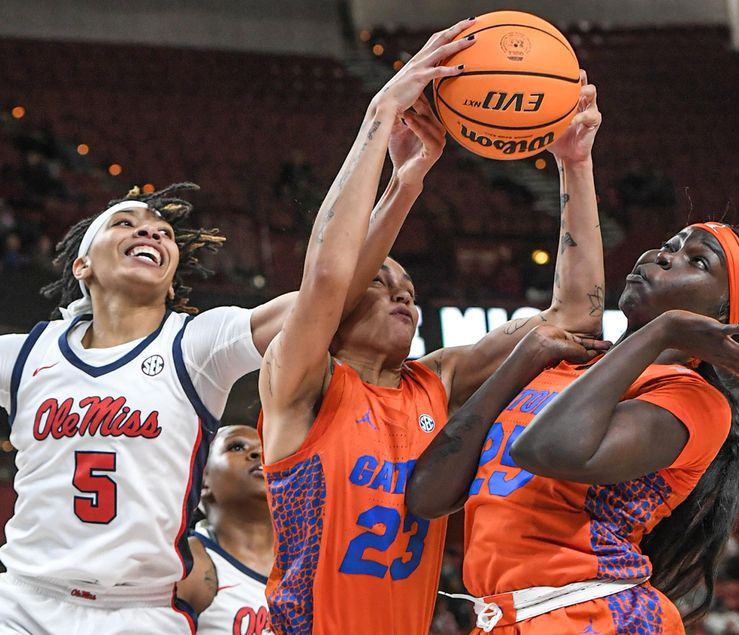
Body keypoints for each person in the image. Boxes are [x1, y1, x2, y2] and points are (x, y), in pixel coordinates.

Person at [0, 76, 455, 633]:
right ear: (82, 266)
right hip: (21, 600)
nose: (151, 231)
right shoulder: (22, 356)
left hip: (139, 610)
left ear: (171, 283)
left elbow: (327, 292)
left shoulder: (197, 343)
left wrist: (403, 184)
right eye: (125, 223)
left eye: (163, 232)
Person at [259, 17, 608, 635]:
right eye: (382, 283)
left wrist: (574, 164)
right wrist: (387, 135)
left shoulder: (435, 381)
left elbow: (574, 320)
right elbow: (327, 279)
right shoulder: (300, 381)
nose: (403, 297)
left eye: (411, 292)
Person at [407, 218, 739, 633]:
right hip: (506, 617)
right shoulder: (561, 366)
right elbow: (428, 496)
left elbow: (544, 451)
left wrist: (663, 332)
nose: (664, 255)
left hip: (597, 615)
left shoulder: (692, 398)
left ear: (722, 318)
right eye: (670, 243)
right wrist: (523, 359)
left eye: (697, 261)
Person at [177, 425, 273, 635]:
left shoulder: (311, 561)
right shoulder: (187, 564)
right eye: (237, 447)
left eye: (267, 446)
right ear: (202, 483)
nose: (260, 453)